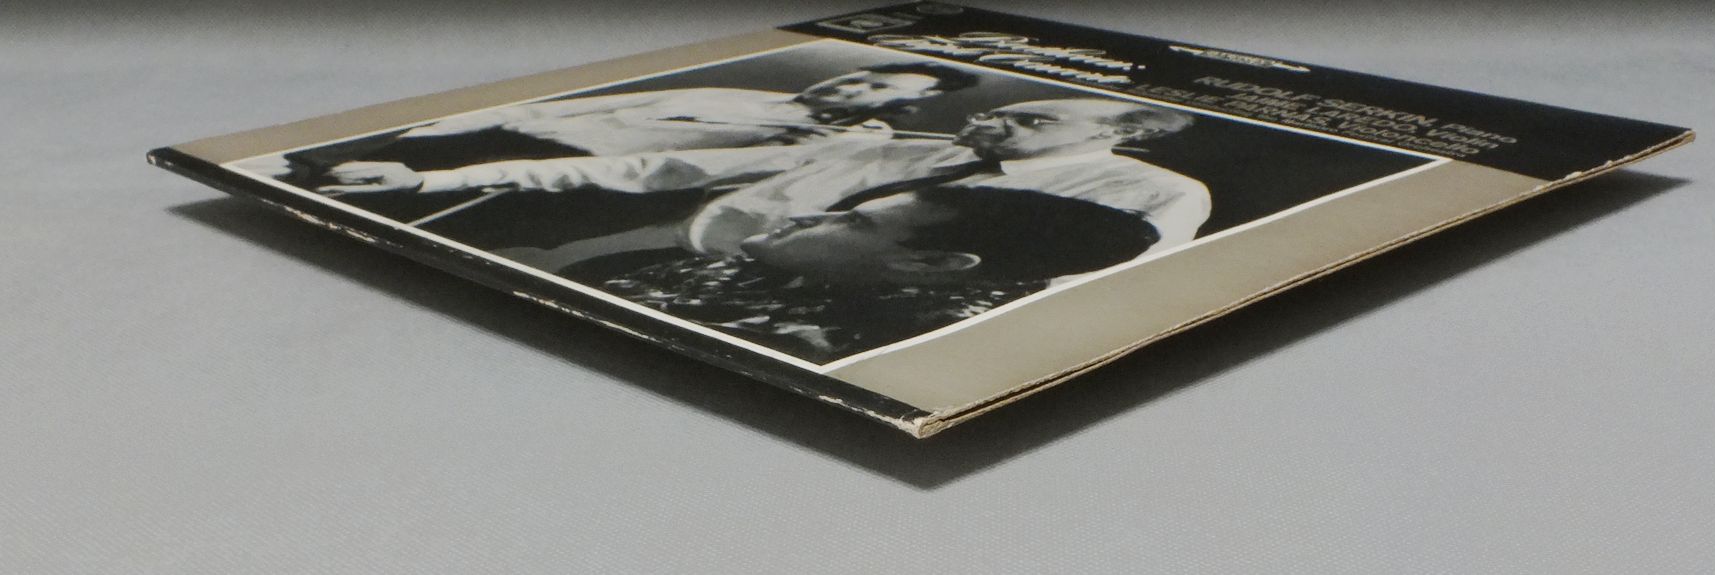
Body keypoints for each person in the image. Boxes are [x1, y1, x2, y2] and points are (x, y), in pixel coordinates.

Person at [321, 97, 1210, 261]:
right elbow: (656, 166)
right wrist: (425, 182)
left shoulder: (1153, 195)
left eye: (1031, 120)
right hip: (654, 247)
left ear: (1122, 132)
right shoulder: (902, 144)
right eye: (998, 112)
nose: (994, 122)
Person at [270, 62, 980, 222]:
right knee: (289, 180)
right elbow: (608, 104)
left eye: (875, 87)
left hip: (555, 181)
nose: (852, 85)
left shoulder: (835, 139)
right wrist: (430, 133)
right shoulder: (746, 94)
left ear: (905, 106)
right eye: (859, 75)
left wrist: (433, 177)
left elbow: (655, 167)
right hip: (485, 138)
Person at [599, 186, 1160, 363]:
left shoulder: (894, 340)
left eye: (853, 221)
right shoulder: (792, 267)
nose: (806, 215)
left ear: (930, 263)